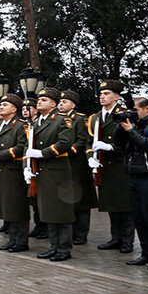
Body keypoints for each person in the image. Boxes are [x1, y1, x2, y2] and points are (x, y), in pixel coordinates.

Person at [27, 87, 75, 261]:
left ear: (54, 104)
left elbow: (64, 143)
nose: (39, 102)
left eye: (44, 100)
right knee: (48, 210)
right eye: (39, 100)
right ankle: (53, 245)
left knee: (60, 210)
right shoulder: (37, 122)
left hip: (57, 171)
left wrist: (41, 153)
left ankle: (63, 248)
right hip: (42, 171)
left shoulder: (63, 120)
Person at [87, 80, 135, 254]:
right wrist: (89, 157)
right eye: (101, 94)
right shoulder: (96, 117)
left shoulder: (124, 114)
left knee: (125, 206)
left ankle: (127, 240)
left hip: (120, 166)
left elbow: (131, 140)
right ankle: (115, 238)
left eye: (106, 94)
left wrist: (111, 147)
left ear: (116, 97)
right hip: (104, 167)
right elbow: (88, 141)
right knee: (111, 205)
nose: (102, 96)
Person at [114, 97, 148, 270]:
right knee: (139, 219)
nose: (132, 113)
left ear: (147, 109)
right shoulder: (135, 125)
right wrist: (122, 126)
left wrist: (132, 131)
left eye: (135, 110)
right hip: (134, 176)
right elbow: (119, 144)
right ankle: (147, 253)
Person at [0, 94, 30, 253]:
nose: (0, 107)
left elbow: (22, 146)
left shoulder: (20, 125)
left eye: (5, 105)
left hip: (13, 171)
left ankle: (21, 241)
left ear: (14, 108)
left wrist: (0, 154)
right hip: (1, 171)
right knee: (7, 208)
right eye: (0, 105)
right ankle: (12, 239)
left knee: (17, 207)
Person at [58, 90, 97, 245]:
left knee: (81, 201)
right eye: (60, 102)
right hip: (64, 165)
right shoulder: (58, 119)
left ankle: (81, 233)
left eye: (64, 102)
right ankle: (71, 231)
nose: (61, 104)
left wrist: (66, 151)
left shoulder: (80, 119)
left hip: (77, 164)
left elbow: (82, 140)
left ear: (73, 104)